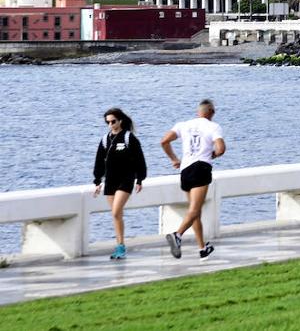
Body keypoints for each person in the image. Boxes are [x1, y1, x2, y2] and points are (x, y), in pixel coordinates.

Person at [161, 99, 226, 260]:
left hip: (185, 170)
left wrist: (174, 159)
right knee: (195, 210)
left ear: (198, 112)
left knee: (194, 211)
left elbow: (164, 141)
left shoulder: (183, 125)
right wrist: (214, 154)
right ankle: (177, 235)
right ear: (211, 112)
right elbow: (221, 148)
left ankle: (202, 248)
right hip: (201, 168)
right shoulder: (213, 127)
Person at [92, 107, 147, 260]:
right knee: (116, 216)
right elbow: (99, 162)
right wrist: (97, 181)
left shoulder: (129, 138)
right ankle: (120, 245)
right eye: (107, 122)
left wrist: (140, 179)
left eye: (113, 121)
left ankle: (121, 247)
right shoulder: (105, 140)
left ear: (120, 121)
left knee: (116, 211)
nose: (110, 125)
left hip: (126, 180)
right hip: (110, 180)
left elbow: (139, 159)